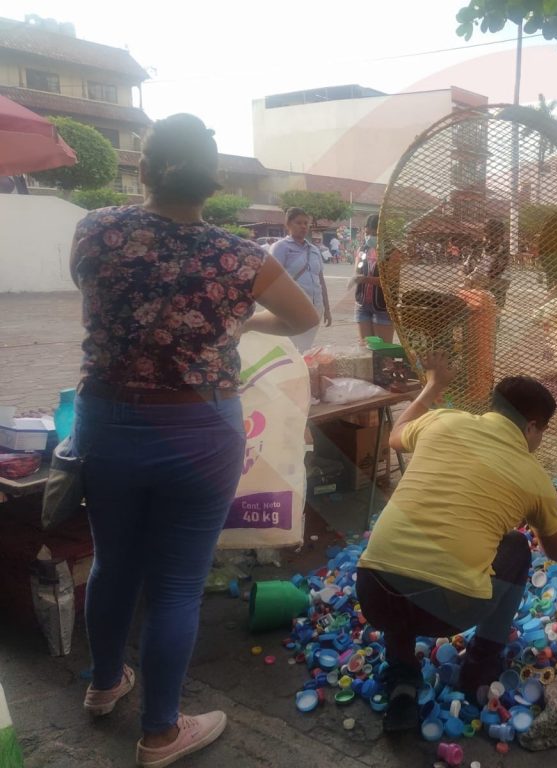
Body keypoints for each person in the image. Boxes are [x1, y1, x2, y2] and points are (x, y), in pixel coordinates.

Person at [69, 113, 318, 768]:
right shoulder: (241, 257)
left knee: (112, 562)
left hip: (107, 422)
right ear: (213, 181)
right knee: (178, 585)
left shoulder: (96, 229)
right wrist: (240, 322)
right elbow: (304, 317)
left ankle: (104, 684)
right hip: (200, 430)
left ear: (144, 170)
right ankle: (159, 734)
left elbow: (94, 292)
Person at [356, 355, 557, 731]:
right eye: (542, 432)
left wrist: (433, 386)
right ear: (532, 427)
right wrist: (542, 512)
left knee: (406, 559)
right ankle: (479, 669)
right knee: (516, 548)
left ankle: (402, 678)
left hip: (373, 592)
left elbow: (395, 435)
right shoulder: (535, 477)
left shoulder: (443, 420)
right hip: (445, 612)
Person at [270, 208, 332, 352]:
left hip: (316, 308)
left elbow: (321, 281)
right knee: (290, 348)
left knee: (305, 347)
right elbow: (272, 281)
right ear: (288, 224)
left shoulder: (314, 250)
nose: (303, 226)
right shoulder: (281, 248)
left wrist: (327, 309)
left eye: (306, 223)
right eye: (298, 223)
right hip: (293, 308)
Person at [353, 212, 394, 343]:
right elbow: (357, 272)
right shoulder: (363, 250)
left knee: (383, 349)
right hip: (362, 304)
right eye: (367, 233)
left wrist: (365, 279)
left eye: (373, 234)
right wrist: (356, 277)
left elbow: (389, 282)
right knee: (366, 348)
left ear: (381, 232)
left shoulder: (392, 252)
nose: (369, 237)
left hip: (383, 307)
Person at [464, 218, 511, 308]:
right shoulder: (479, 247)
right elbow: (467, 267)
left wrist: (483, 281)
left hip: (494, 287)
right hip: (477, 286)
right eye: (487, 234)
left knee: (491, 309)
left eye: (494, 235)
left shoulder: (503, 250)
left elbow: (499, 273)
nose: (489, 239)